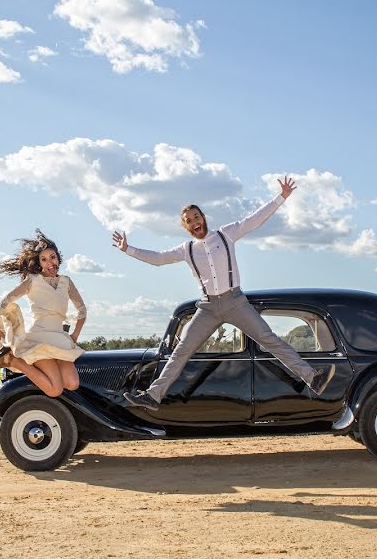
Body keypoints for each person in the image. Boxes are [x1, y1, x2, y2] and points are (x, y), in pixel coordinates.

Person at [112, 176, 334, 411]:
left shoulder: (226, 234)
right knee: (181, 351)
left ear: (203, 218)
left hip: (235, 301)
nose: (194, 222)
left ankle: (313, 378)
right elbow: (157, 259)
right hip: (207, 308)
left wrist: (282, 197)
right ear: (185, 227)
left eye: (196, 217)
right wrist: (128, 249)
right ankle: (153, 396)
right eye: (188, 221)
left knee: (270, 340)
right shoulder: (186, 250)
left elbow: (255, 220)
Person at [0, 230, 86, 397]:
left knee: (72, 383)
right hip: (39, 338)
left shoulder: (66, 282)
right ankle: (15, 361)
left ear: (58, 258)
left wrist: (75, 335)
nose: (49, 262)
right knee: (55, 389)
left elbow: (82, 309)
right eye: (44, 259)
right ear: (39, 263)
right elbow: (5, 301)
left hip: (60, 338)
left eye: (52, 257)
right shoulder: (33, 280)